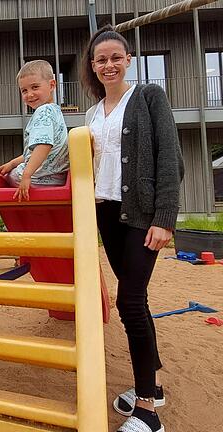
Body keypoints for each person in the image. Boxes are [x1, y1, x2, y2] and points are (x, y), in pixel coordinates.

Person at [81, 25, 184, 432]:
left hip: (141, 214)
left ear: (128, 61)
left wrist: (165, 219)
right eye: (100, 59)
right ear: (92, 66)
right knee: (135, 301)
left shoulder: (147, 97)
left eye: (115, 58)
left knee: (129, 303)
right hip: (106, 214)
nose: (108, 65)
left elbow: (170, 159)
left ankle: (147, 412)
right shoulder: (91, 113)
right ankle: (153, 386)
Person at [0, 60, 69, 201]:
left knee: (8, 176)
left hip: (38, 179)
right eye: (24, 90)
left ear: (52, 85)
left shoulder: (43, 112)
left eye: (35, 87)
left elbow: (43, 145)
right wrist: (12, 163)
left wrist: (27, 175)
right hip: (57, 179)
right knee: (11, 169)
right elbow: (36, 151)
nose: (29, 94)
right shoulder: (55, 111)